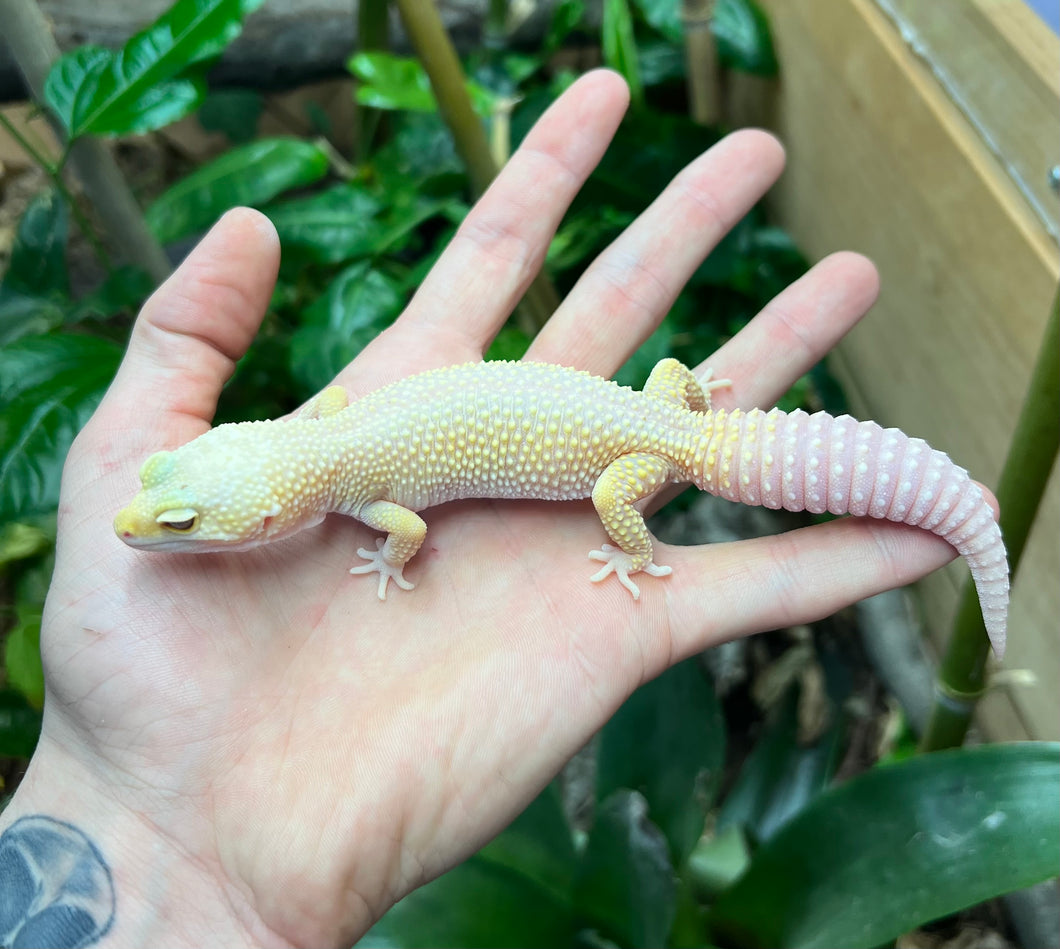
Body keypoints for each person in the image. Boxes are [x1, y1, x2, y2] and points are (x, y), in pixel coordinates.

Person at [0, 70, 966, 948]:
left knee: (614, 498)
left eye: (181, 520)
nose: (147, 527)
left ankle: (651, 544)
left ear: (262, 513)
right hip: (656, 405)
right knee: (675, 393)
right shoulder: (318, 442)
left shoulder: (358, 497)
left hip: (638, 456)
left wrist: (624, 553)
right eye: (179, 511)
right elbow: (333, 410)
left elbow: (410, 532)